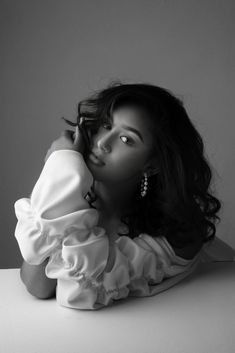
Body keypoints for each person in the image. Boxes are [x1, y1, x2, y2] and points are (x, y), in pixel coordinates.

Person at [14, 82, 221, 310]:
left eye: (126, 139)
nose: (102, 143)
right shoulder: (72, 201)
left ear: (152, 166)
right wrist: (60, 171)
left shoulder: (179, 231)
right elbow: (37, 285)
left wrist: (61, 170)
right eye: (105, 125)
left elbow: (82, 292)